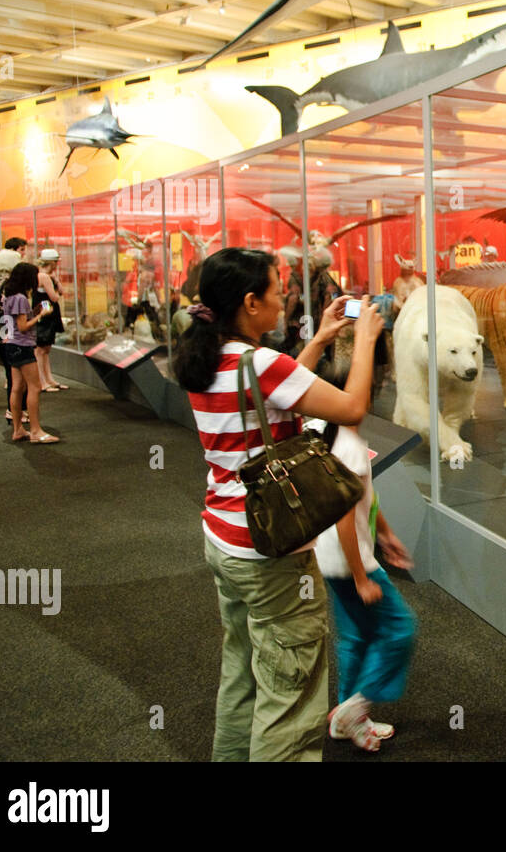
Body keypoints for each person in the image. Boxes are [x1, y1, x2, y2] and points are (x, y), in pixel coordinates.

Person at [172, 247, 383, 762]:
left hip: (224, 539)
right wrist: (365, 343)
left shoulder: (209, 356)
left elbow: (269, 392)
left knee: (243, 672)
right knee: (290, 699)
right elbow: (351, 406)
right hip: (271, 552)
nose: (282, 300)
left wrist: (319, 340)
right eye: (274, 290)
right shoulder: (260, 363)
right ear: (249, 303)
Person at [308, 358, 417, 753]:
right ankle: (356, 707)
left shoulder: (321, 431)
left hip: (327, 558)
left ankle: (346, 719)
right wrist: (361, 576)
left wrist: (385, 533)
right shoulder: (350, 447)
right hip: (351, 560)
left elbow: (361, 499)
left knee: (354, 637)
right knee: (401, 630)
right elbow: (342, 518)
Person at [0, 262, 59, 444]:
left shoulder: (9, 296)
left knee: (17, 387)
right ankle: (35, 430)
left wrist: (34, 313)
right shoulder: (20, 298)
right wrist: (40, 316)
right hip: (22, 346)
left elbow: (20, 320)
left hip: (11, 345)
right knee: (34, 387)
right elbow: (23, 326)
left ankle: (18, 429)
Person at [0, 249, 26, 425]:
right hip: (9, 334)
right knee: (15, 375)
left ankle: (14, 410)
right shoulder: (11, 286)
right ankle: (15, 410)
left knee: (10, 373)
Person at [33, 249, 67, 392]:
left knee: (46, 348)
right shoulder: (43, 276)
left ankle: (49, 378)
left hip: (48, 313)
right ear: (52, 262)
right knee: (41, 349)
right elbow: (54, 297)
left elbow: (61, 291)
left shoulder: (47, 276)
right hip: (45, 314)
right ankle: (42, 381)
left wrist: (56, 280)